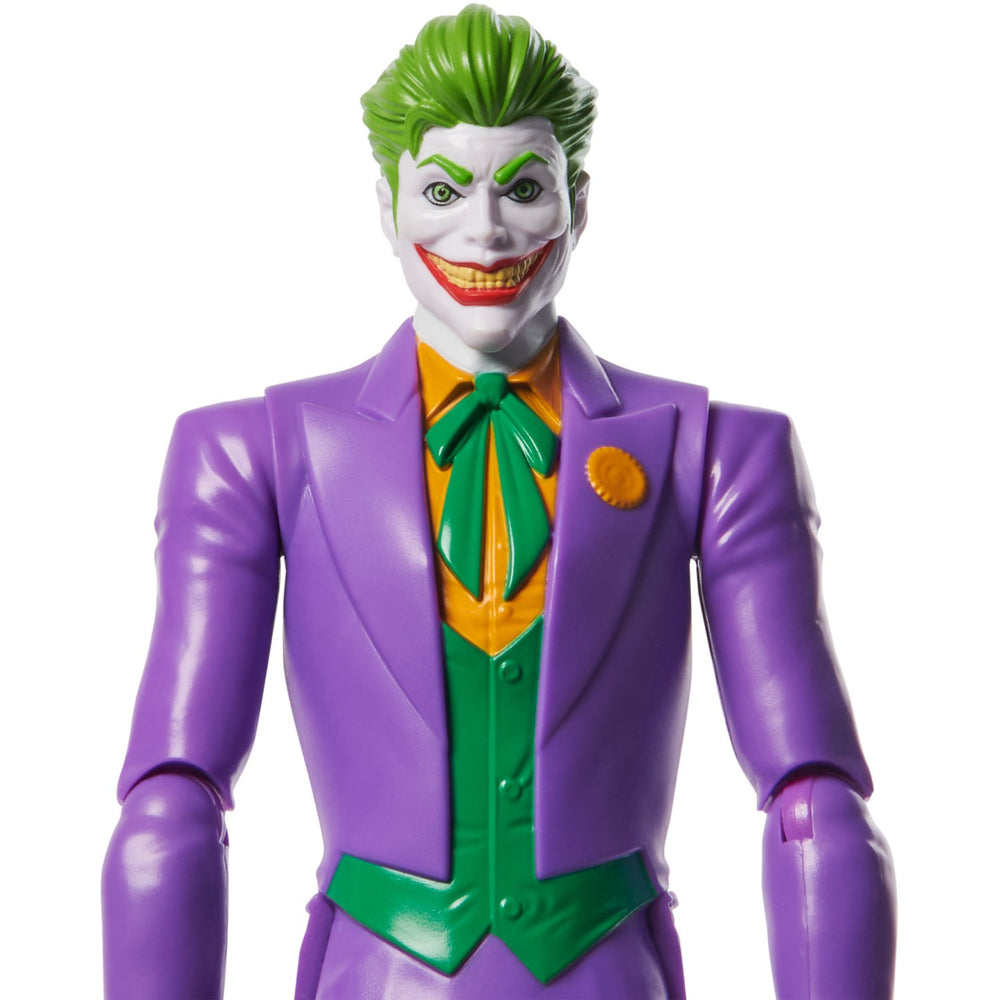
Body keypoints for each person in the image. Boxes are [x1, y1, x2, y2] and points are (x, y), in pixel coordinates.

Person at [103, 6, 896, 997]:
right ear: (388, 204)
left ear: (579, 202)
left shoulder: (719, 452)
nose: (482, 231)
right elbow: (172, 799)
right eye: (442, 190)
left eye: (523, 187)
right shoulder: (251, 454)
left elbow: (812, 801)